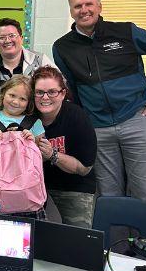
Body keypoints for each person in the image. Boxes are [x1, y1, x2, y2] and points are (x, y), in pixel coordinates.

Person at [52, 0, 146, 206]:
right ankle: (116, 242)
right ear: (71, 11)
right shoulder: (62, 47)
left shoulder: (125, 32)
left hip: (137, 120)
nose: (84, 10)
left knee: (145, 194)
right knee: (108, 197)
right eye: (77, 6)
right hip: (98, 129)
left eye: (88, 4)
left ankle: (143, 242)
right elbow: (71, 89)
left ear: (99, 6)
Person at [0, 76, 48, 219]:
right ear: (3, 93)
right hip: (0, 191)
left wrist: (32, 144)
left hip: (29, 190)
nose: (16, 102)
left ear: (29, 103)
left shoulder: (34, 123)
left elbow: (42, 158)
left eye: (23, 99)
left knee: (31, 238)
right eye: (12, 95)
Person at [30, 67, 99, 228]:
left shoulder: (77, 117)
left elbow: (84, 169)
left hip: (74, 186)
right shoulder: (28, 116)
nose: (45, 97)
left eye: (52, 92)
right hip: (36, 186)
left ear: (62, 93)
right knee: (34, 236)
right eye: (39, 92)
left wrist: (53, 155)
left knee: (77, 238)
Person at [0, 18, 56, 119]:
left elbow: (57, 91)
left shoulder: (40, 61)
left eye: (12, 36)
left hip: (34, 129)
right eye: (2, 37)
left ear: (21, 38)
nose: (7, 40)